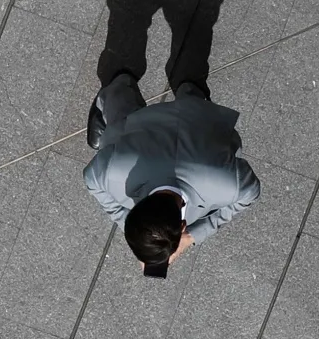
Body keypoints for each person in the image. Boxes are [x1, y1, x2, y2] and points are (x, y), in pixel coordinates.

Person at [84, 73, 260, 274]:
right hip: (150, 133)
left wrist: (191, 237)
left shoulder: (226, 185)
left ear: (183, 225)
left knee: (188, 97)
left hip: (200, 130)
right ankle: (126, 88)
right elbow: (91, 179)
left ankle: (189, 89)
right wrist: (143, 232)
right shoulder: (114, 172)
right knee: (121, 114)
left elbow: (251, 192)